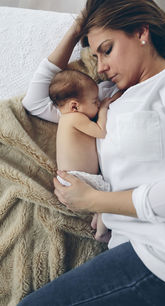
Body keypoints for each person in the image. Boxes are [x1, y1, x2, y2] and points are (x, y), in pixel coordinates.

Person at [18, 0, 165, 305]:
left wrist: (96, 200)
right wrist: (79, 28)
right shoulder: (103, 97)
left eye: (107, 49)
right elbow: (35, 101)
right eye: (94, 56)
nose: (100, 67)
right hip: (128, 250)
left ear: (142, 32)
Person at [49, 68, 121, 242]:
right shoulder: (75, 118)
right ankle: (102, 233)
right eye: (95, 101)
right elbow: (100, 131)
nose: (98, 103)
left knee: (102, 202)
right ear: (75, 106)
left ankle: (97, 221)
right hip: (78, 178)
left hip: (74, 177)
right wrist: (103, 109)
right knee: (108, 198)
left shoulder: (67, 119)